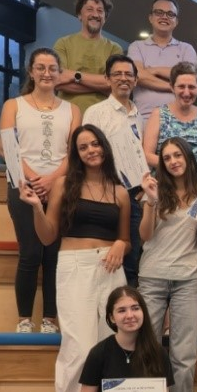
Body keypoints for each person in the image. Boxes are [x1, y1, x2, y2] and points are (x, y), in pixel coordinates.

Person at [21, 124, 130, 392]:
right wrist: (36, 207)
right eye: (83, 147)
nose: (91, 150)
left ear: (104, 146)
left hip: (111, 271)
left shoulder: (120, 191)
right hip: (74, 267)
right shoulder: (63, 184)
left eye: (95, 144)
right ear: (76, 154)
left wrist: (121, 244)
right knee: (79, 350)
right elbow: (48, 236)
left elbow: (125, 238)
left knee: (114, 348)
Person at [0, 48, 77, 334]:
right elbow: (6, 148)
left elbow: (74, 152)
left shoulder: (72, 110)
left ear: (60, 73)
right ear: (31, 72)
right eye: (41, 68)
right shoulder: (13, 105)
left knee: (54, 256)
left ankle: (49, 320)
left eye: (52, 68)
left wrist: (52, 180)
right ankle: (24, 320)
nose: (46, 73)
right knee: (30, 253)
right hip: (22, 187)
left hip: (60, 189)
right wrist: (33, 179)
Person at [137, 138, 197, 392]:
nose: (173, 161)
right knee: (146, 353)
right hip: (151, 278)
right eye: (166, 158)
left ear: (188, 158)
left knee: (184, 359)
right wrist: (151, 201)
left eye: (178, 155)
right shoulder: (154, 190)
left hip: (188, 280)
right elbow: (144, 235)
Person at [84, 54, 145, 284]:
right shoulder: (96, 112)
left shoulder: (140, 117)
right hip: (104, 192)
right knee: (103, 256)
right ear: (107, 79)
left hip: (134, 196)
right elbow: (87, 153)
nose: (123, 78)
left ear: (136, 80)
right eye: (117, 74)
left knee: (131, 258)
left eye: (128, 74)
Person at [127, 0, 197, 124]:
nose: (164, 17)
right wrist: (175, 86)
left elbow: (189, 78)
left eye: (170, 14)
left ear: (176, 22)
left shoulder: (186, 49)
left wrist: (154, 70)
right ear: (150, 17)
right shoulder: (136, 46)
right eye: (159, 12)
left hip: (179, 120)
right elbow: (139, 76)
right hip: (143, 119)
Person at [142, 61, 197, 182]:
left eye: (191, 87)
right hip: (166, 183)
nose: (186, 92)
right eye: (181, 86)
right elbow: (147, 155)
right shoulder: (159, 114)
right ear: (172, 87)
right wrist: (177, 166)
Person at [53, 0, 122, 114]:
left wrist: (75, 76)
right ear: (79, 15)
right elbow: (58, 80)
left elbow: (114, 85)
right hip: (67, 116)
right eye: (90, 9)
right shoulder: (63, 43)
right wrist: (101, 84)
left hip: (104, 117)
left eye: (100, 11)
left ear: (105, 18)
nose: (95, 14)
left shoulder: (114, 48)